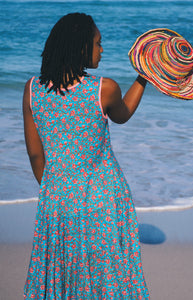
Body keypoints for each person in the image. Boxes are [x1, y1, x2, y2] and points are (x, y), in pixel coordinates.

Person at [23, 12, 150, 299]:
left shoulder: (32, 90)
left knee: (65, 274)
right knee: (108, 278)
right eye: (98, 43)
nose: (101, 49)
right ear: (82, 48)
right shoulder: (103, 89)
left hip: (56, 199)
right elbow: (123, 115)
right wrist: (145, 77)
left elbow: (35, 155)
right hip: (104, 197)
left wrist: (57, 191)